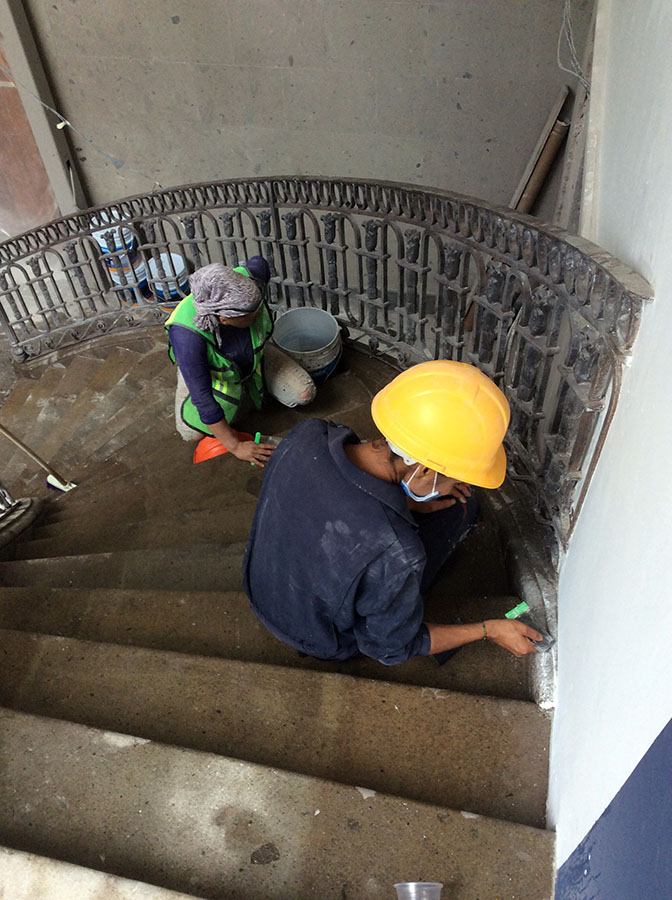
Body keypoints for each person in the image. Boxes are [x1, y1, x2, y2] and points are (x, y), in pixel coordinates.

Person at [242, 359, 542, 665]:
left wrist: (408, 503)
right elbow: (389, 649)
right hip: (323, 639)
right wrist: (488, 629)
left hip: (261, 590)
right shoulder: (398, 553)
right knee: (464, 508)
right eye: (455, 478)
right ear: (425, 470)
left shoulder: (309, 434)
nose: (457, 484)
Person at [165, 258, 316, 466]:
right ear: (224, 319)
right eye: (251, 314)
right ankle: (189, 375)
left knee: (304, 393)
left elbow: (260, 262)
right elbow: (204, 401)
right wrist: (235, 446)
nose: (259, 313)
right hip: (214, 372)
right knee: (192, 434)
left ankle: (253, 385)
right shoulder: (187, 338)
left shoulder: (250, 277)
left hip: (255, 355)